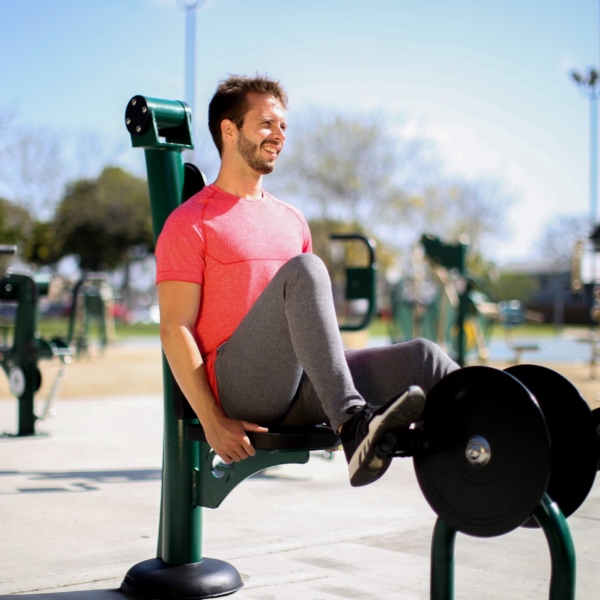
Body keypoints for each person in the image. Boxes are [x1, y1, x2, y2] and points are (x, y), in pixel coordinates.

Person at [156, 74, 459, 487]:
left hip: (298, 386)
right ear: (229, 130)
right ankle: (352, 423)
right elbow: (175, 328)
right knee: (307, 269)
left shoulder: (292, 219)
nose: (278, 134)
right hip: (238, 386)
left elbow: (312, 327)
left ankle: (527, 440)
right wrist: (211, 419)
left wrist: (333, 388)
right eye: (266, 123)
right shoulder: (191, 221)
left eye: (283, 126)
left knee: (424, 359)